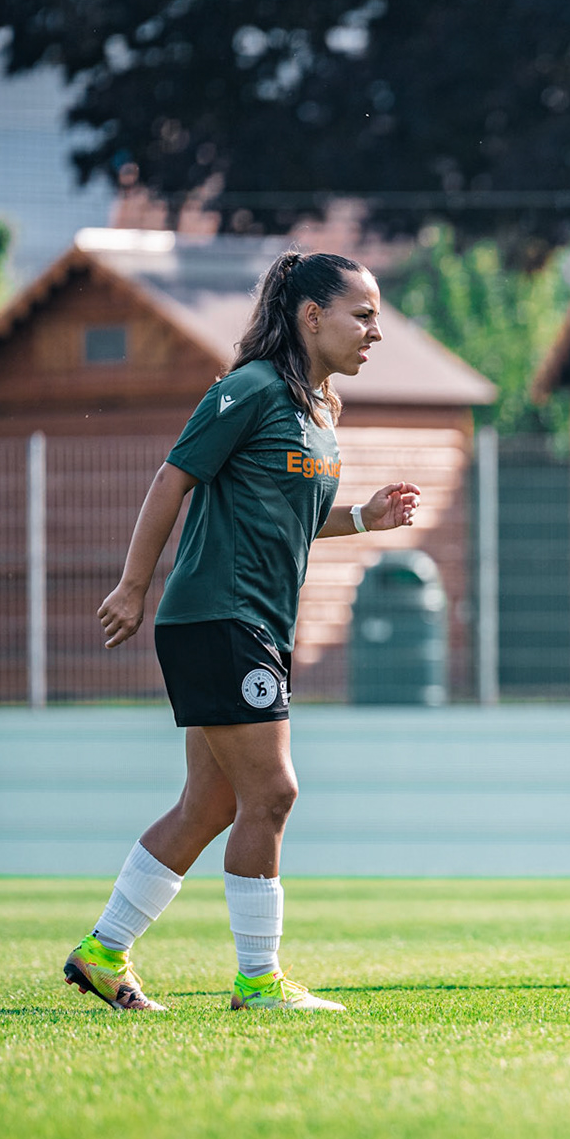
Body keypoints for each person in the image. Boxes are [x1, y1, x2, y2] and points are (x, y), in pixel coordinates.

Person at [62, 250, 422, 1013]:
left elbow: (288, 518)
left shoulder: (319, 410)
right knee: (275, 791)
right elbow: (172, 479)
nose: (375, 333)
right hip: (219, 617)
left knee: (212, 803)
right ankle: (258, 981)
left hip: (252, 622)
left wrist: (366, 518)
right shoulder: (252, 388)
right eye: (363, 316)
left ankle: (102, 951)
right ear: (311, 316)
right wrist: (132, 586)